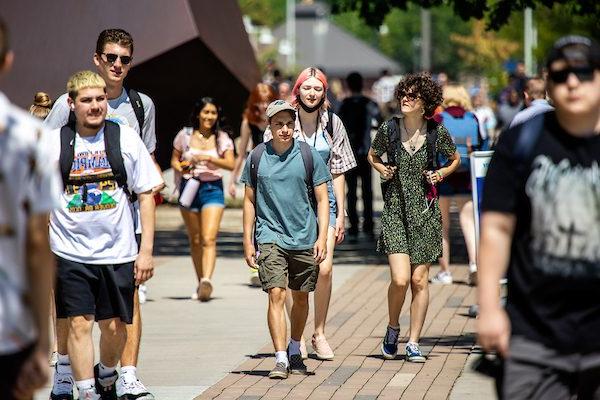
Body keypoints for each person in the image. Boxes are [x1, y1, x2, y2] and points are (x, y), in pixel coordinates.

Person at [478, 35, 600, 399]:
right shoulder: (522, 141)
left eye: (583, 72)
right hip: (534, 336)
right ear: (548, 83)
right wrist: (488, 308)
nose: (572, 83)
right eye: (561, 75)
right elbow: (496, 229)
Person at [44, 29, 160, 400]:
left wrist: (146, 246)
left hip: (123, 233)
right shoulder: (66, 104)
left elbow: (147, 171)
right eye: (111, 57)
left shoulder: (138, 109)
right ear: (97, 58)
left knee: (120, 319)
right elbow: (46, 161)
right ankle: (74, 378)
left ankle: (121, 372)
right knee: (76, 318)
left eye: (124, 59)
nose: (117, 65)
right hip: (70, 239)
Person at [263, 67, 357, 360]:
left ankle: (320, 332)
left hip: (324, 201)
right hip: (291, 204)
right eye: (307, 88)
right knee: (295, 272)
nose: (312, 93)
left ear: (324, 93)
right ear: (298, 90)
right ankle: (297, 337)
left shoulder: (333, 123)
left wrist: (342, 213)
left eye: (318, 89)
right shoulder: (282, 121)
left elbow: (339, 170)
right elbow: (269, 165)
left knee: (325, 268)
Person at [368, 72, 460, 362]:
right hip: (395, 212)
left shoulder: (436, 133)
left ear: (425, 103)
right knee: (400, 279)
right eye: (403, 95)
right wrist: (381, 168)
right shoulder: (390, 129)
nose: (405, 99)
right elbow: (372, 155)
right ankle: (393, 327)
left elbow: (455, 158)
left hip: (425, 213)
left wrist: (441, 173)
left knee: (420, 280)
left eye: (412, 96)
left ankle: (414, 341)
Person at [241, 99, 331, 378]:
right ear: (269, 126)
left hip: (304, 236)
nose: (284, 129)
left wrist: (322, 237)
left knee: (301, 298)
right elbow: (249, 201)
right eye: (278, 124)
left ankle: (295, 347)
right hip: (270, 236)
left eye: (289, 124)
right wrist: (248, 241)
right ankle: (280, 358)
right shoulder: (257, 157)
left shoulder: (308, 155)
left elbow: (322, 199)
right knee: (276, 294)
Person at [0, 17, 61, 399]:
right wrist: (43, 343)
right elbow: (39, 244)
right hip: (8, 325)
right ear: (8, 61)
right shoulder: (31, 136)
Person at [171, 97, 235, 301]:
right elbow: (174, 159)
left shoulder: (222, 138)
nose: (209, 116)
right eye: (206, 112)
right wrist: (182, 167)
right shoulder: (184, 135)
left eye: (213, 113)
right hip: (189, 188)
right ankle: (201, 283)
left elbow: (231, 164)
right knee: (196, 239)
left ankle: (207, 279)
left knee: (209, 238)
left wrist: (208, 158)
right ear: (198, 114)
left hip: (212, 189)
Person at [431, 85, 483, 286]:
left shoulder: (440, 119)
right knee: (468, 222)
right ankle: (474, 264)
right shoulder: (473, 119)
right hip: (466, 175)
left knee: (442, 225)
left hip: (443, 175)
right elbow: (483, 146)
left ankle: (445, 272)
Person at [228, 83, 277, 287]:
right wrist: (232, 180)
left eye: (267, 101)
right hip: (257, 171)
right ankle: (256, 261)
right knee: (256, 216)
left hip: (278, 170)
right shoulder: (248, 120)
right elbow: (241, 154)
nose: (263, 106)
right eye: (260, 102)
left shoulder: (280, 118)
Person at [338, 72, 382, 235]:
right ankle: (369, 223)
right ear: (362, 84)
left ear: (348, 85)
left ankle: (354, 225)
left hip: (348, 152)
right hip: (366, 151)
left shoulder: (344, 105)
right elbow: (380, 122)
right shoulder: (370, 104)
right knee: (367, 189)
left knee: (350, 190)